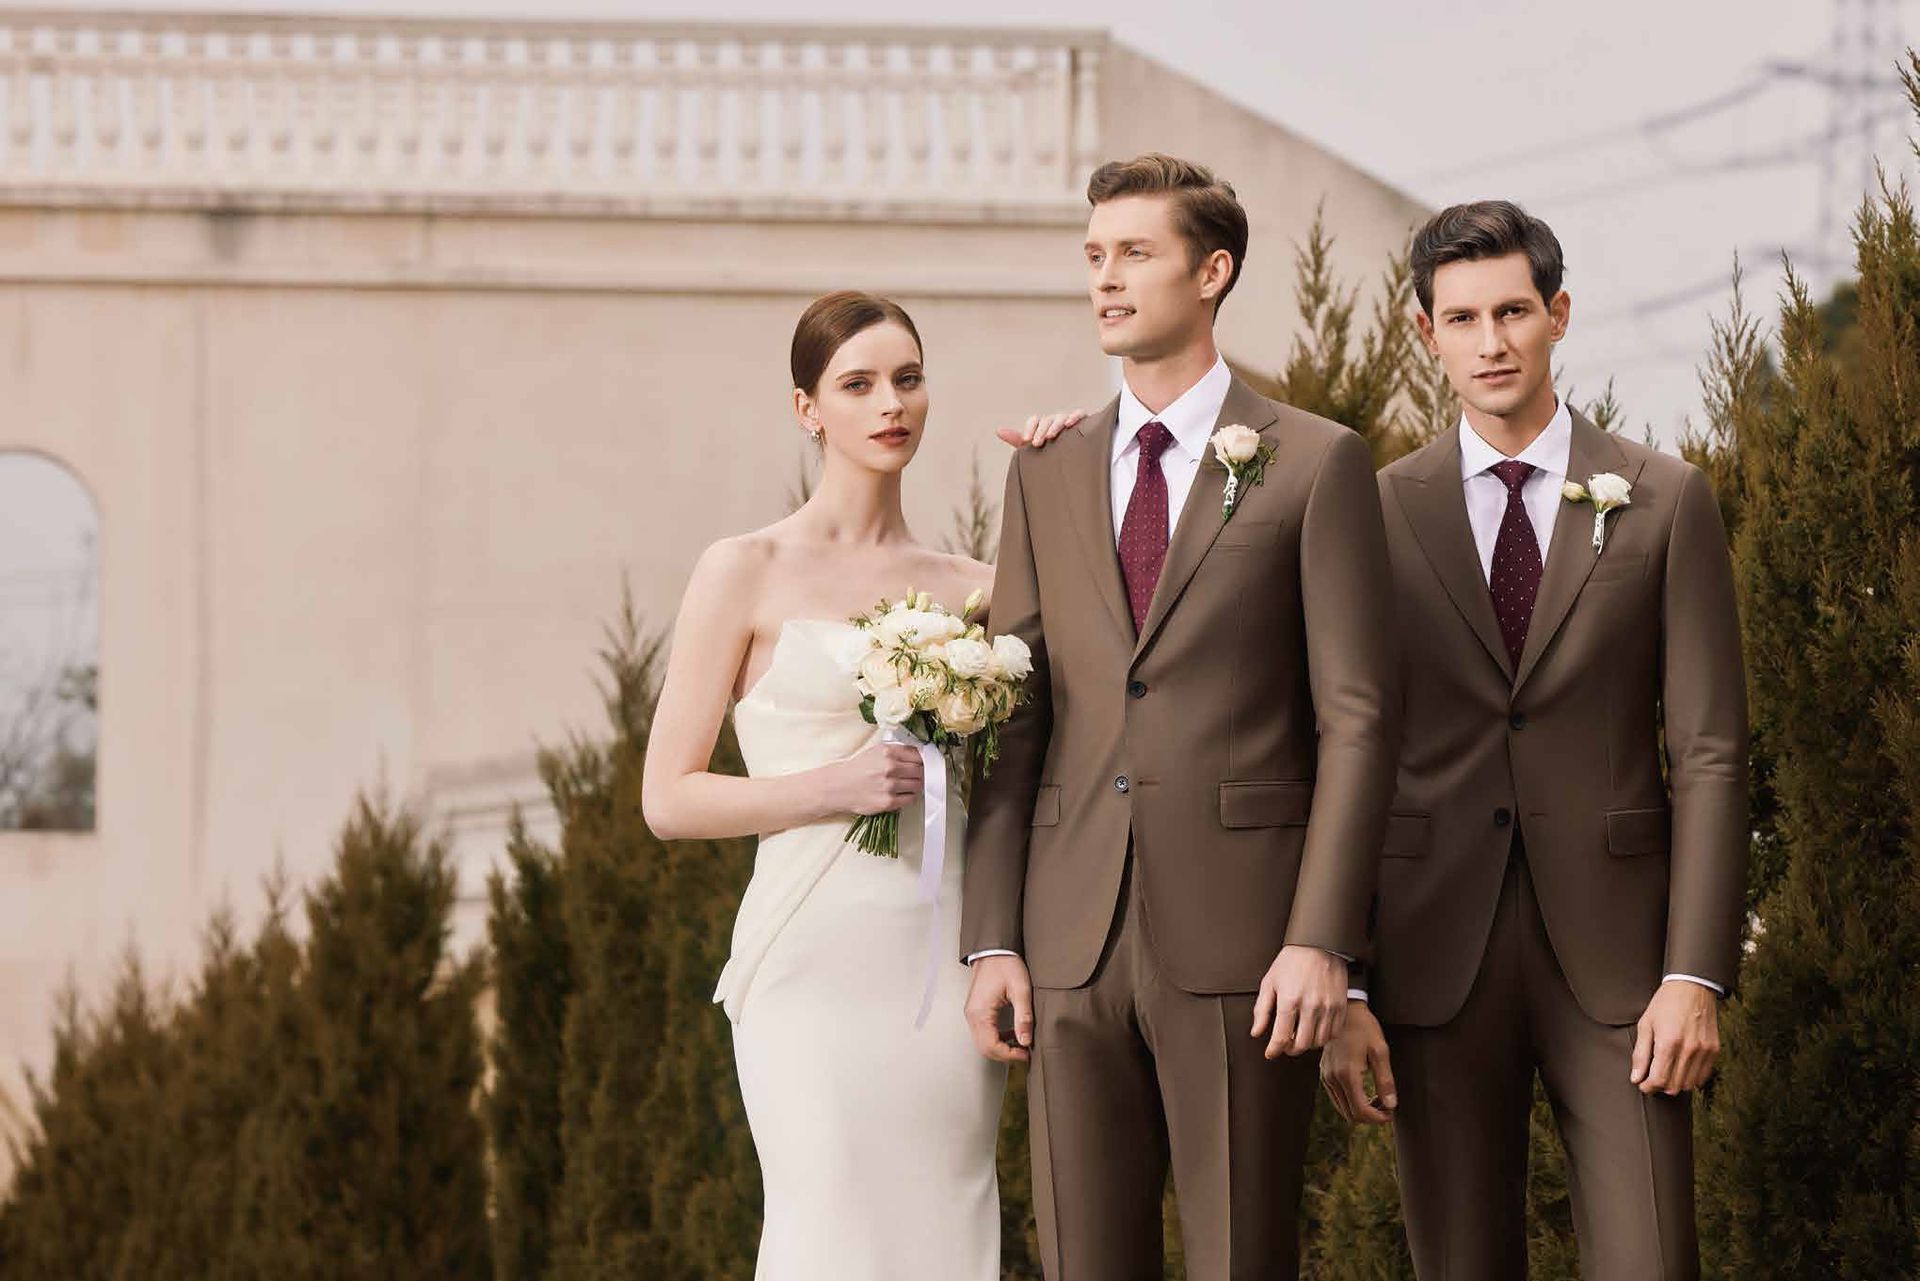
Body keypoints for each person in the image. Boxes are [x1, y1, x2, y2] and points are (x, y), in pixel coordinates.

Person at [961, 153, 1401, 1281]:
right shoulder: (1045, 471)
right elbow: (1016, 715)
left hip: (1246, 944)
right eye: (1095, 257)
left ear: (1212, 272)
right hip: (1068, 937)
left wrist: (1323, 941)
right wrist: (995, 937)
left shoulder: (1315, 462)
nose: (1106, 281)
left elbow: (1356, 720)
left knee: (1241, 1256)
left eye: (1136, 255)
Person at [1320, 200, 1749, 1280]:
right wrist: (1353, 978)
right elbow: (1345, 739)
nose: (1491, 341)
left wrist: (1695, 971)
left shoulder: (1663, 499)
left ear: (1558, 315)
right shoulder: (1372, 513)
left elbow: (1708, 752)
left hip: (1622, 965)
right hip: (1431, 948)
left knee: (1652, 1259)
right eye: (1461, 319)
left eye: (1513, 311)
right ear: (1427, 334)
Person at [640, 290, 1069, 1281]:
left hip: (941, 954)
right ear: (808, 409)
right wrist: (835, 786)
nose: (892, 404)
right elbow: (670, 798)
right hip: (810, 959)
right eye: (860, 383)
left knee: (944, 1224)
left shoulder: (976, 586)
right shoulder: (741, 569)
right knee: (825, 1218)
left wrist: (1065, 463)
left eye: (909, 380)